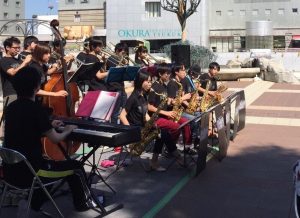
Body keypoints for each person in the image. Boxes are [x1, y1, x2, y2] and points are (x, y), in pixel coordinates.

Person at [3, 66, 92, 215]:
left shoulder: (11, 107)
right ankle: (82, 205)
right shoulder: (36, 109)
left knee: (54, 166)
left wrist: (48, 125)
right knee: (76, 167)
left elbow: (25, 130)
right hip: (33, 172)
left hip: (11, 171)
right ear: (37, 87)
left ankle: (33, 204)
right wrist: (69, 129)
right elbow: (55, 138)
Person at [120, 69, 183, 171]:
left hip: (144, 126)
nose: (150, 84)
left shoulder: (143, 95)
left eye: (150, 81)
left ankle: (159, 159)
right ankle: (175, 156)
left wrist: (152, 123)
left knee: (162, 132)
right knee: (163, 133)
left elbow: (145, 114)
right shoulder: (133, 97)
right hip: (136, 129)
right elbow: (122, 115)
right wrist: (131, 132)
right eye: (148, 81)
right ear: (141, 82)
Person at [148, 63, 192, 147]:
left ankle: (186, 147)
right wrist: (167, 113)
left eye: (169, 73)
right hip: (157, 117)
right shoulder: (154, 87)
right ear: (160, 74)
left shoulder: (164, 85)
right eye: (167, 73)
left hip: (166, 114)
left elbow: (168, 101)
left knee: (185, 123)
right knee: (176, 127)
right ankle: (170, 147)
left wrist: (172, 102)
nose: (169, 75)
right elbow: (150, 107)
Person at [0, 36, 32, 107]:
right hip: (11, 93)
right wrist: (25, 63)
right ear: (8, 48)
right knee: (12, 116)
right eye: (15, 48)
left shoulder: (19, 60)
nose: (17, 50)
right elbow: (12, 72)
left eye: (19, 48)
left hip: (23, 92)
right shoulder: (3, 60)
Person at [106, 42, 129, 124]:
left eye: (125, 52)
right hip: (114, 87)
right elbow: (115, 71)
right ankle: (114, 127)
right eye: (122, 52)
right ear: (117, 51)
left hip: (121, 87)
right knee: (115, 112)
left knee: (124, 110)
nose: (124, 54)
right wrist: (123, 65)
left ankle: (123, 126)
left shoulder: (121, 59)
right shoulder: (111, 59)